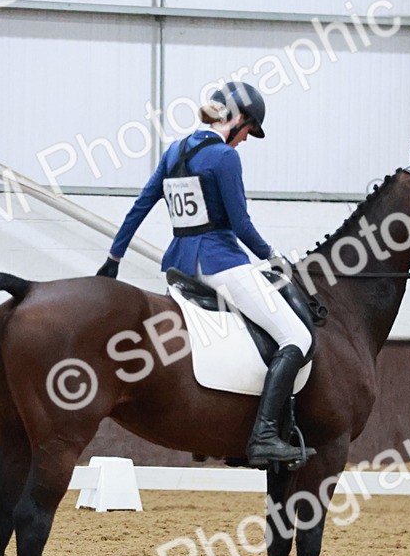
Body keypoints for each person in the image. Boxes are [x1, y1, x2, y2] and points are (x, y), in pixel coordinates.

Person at [96, 82, 314, 469]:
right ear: (236, 120)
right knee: (296, 335)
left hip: (180, 271)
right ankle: (264, 435)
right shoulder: (223, 158)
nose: (245, 140)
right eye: (248, 131)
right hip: (221, 266)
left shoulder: (174, 151)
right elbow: (241, 225)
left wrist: (114, 257)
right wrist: (272, 256)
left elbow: (140, 207)